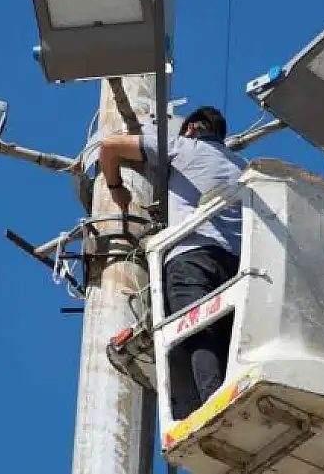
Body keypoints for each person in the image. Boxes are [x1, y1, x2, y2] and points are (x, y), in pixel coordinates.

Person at [98, 106, 247, 418]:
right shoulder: (243, 168)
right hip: (235, 266)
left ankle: (214, 406)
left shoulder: (183, 146)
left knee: (196, 332)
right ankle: (232, 402)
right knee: (227, 338)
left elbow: (109, 147)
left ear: (192, 128)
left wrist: (116, 188)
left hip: (192, 257)